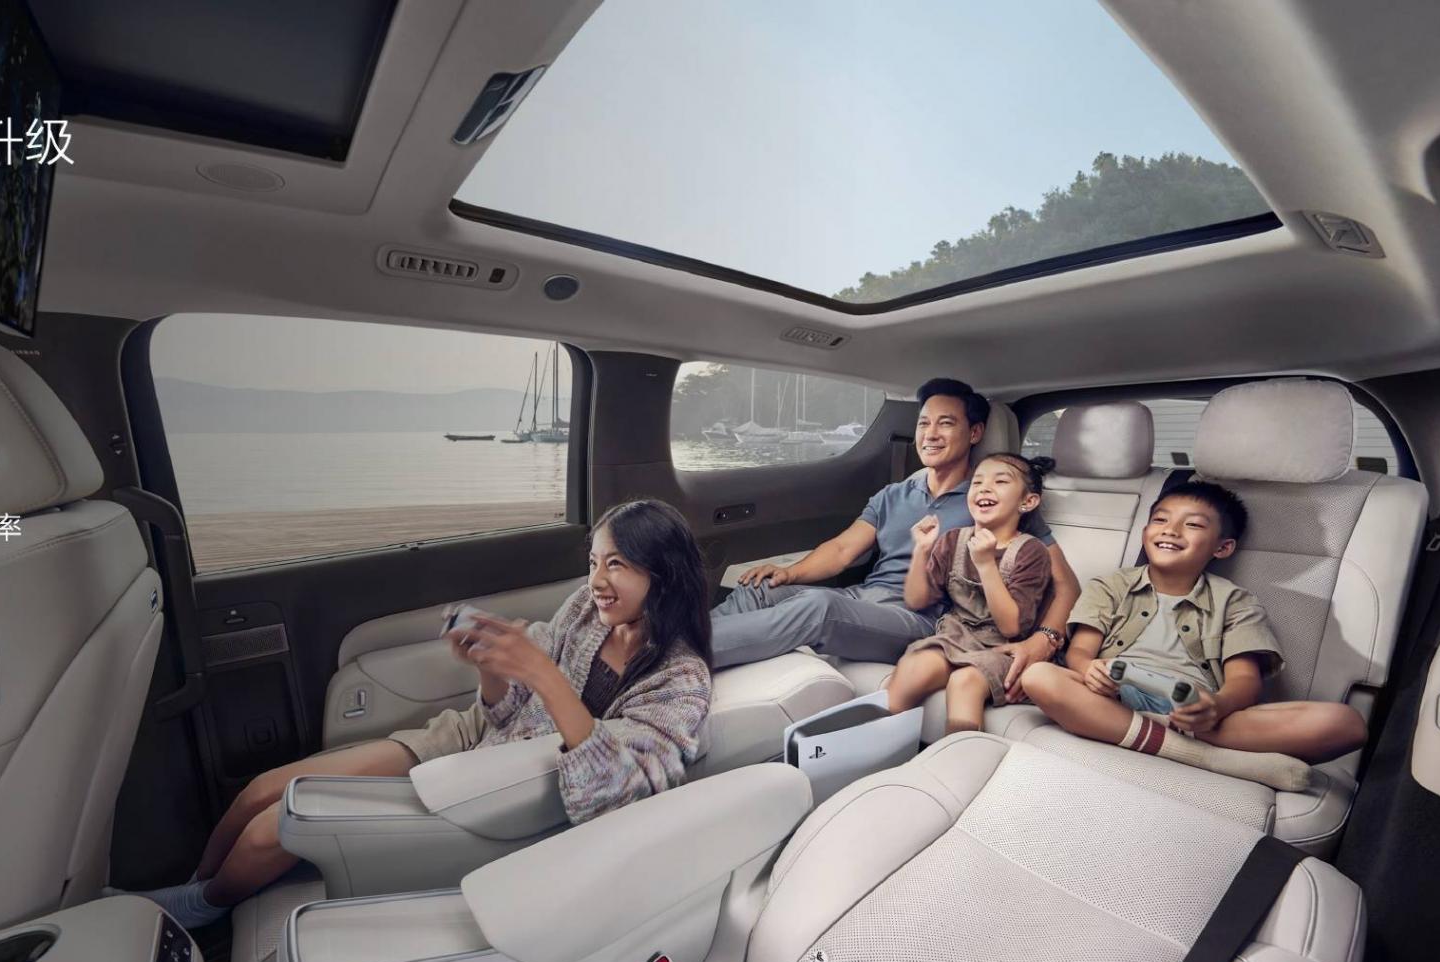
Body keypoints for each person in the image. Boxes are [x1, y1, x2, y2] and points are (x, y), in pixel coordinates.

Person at [129, 499, 715, 928]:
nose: (596, 582)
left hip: (512, 779)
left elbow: (621, 794)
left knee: (272, 828)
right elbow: (503, 714)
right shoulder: (585, 610)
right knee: (261, 790)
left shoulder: (681, 681)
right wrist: (490, 668)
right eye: (593, 562)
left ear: (662, 573)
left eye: (617, 565)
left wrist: (542, 673)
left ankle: (200, 910)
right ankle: (196, 890)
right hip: (473, 737)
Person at [712, 379, 1081, 689]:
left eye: (945, 424)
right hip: (861, 598)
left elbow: (1066, 585)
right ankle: (685, 641)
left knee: (820, 608)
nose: (930, 434)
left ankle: (683, 654)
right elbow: (841, 550)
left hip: (920, 618)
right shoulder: (894, 494)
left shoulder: (992, 501)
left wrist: (1044, 641)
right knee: (760, 588)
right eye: (924, 424)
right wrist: (789, 573)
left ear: (975, 433)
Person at [1019, 482, 1368, 790]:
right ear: (1145, 531)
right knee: (1039, 677)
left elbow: (1244, 680)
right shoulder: (1110, 586)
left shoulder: (1236, 602)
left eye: (1193, 525)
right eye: (1161, 520)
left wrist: (1215, 708)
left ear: (1222, 547)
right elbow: (1081, 651)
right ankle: (1205, 757)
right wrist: (1089, 670)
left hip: (1196, 714)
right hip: (1115, 698)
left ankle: (1149, 732)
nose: (1171, 530)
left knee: (1345, 724)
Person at [886, 453, 1056, 734]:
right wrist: (922, 550)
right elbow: (916, 600)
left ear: (1027, 502)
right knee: (915, 666)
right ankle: (881, 741)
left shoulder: (1031, 551)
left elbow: (1011, 627)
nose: (984, 488)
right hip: (956, 637)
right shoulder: (953, 540)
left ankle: (959, 753)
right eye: (977, 482)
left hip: (1002, 649)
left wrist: (986, 564)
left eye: (1000, 481)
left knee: (964, 682)